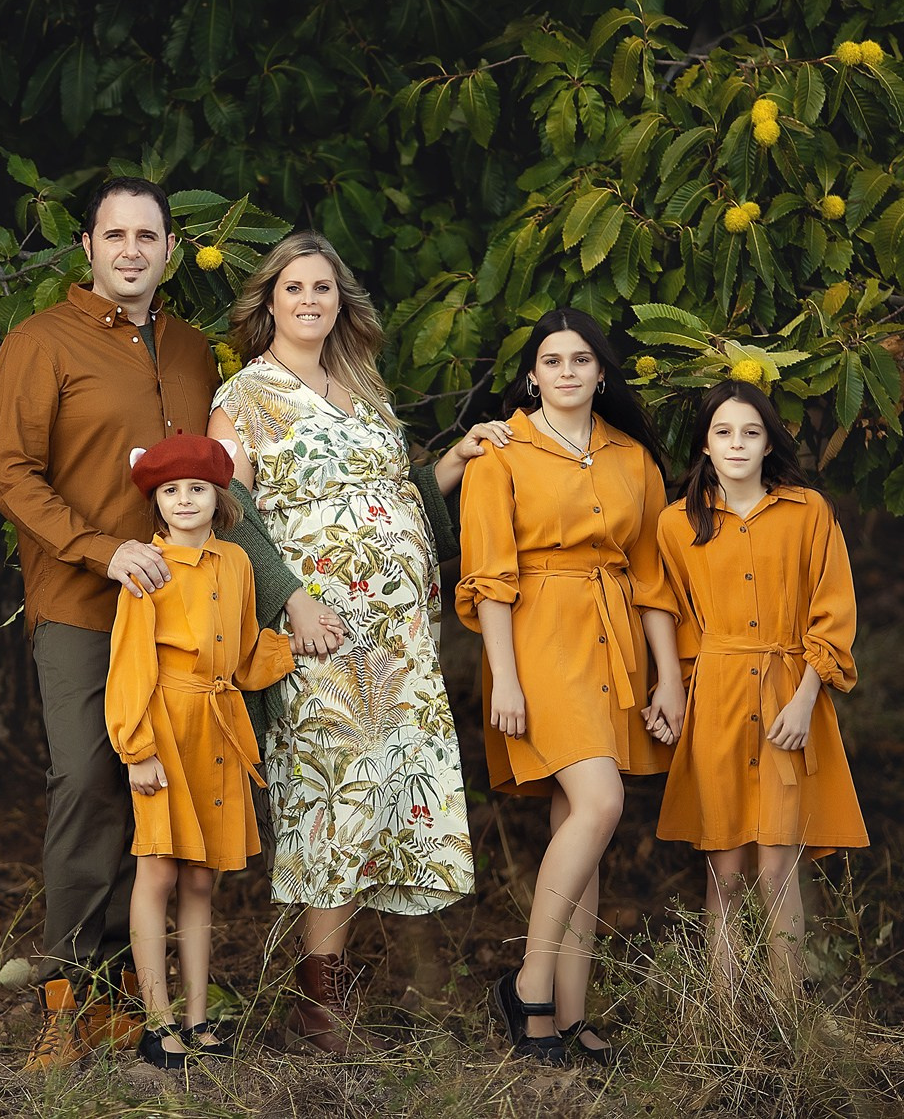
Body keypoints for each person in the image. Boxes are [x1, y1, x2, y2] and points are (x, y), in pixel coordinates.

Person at [0, 179, 352, 1068]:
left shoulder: (194, 350)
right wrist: (103, 549)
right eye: (115, 236)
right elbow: (12, 476)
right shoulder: (40, 344)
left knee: (156, 793)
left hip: (190, 618)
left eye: (148, 237)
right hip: (86, 601)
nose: (131, 251)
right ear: (87, 246)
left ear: (170, 251)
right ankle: (69, 999)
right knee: (87, 780)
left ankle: (134, 1001)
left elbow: (225, 476)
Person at [209, 230, 508, 1054]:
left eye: (325, 289)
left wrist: (454, 461)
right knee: (335, 800)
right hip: (322, 634)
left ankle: (361, 986)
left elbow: (395, 498)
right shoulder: (245, 397)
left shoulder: (363, 389)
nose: (310, 300)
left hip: (402, 639)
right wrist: (293, 601)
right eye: (295, 287)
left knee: (383, 796)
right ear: (268, 300)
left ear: (343, 303)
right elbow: (231, 511)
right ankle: (320, 1004)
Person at [457, 308, 685, 1069]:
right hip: (536, 639)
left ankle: (569, 1015)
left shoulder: (634, 460)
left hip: (613, 641)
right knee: (600, 803)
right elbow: (487, 578)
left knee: (579, 829)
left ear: (600, 373)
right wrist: (506, 678)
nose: (565, 371)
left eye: (580, 359)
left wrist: (670, 679)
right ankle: (528, 987)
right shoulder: (501, 454)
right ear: (532, 375)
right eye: (551, 360)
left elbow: (653, 579)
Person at [655, 381, 867, 994]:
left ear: (770, 440)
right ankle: (723, 1024)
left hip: (786, 697)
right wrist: (674, 688)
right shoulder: (677, 524)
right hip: (717, 699)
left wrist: (805, 700)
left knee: (778, 864)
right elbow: (668, 611)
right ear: (704, 444)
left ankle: (787, 1016)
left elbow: (832, 614)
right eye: (723, 432)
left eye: (751, 431)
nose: (737, 444)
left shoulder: (808, 512)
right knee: (723, 868)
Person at [105, 436, 295, 1069]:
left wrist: (292, 648)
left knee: (201, 878)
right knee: (157, 869)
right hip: (166, 725)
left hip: (216, 727)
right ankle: (157, 1021)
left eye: (197, 488)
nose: (184, 500)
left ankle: (197, 1016)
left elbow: (243, 656)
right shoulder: (147, 569)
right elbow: (129, 665)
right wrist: (137, 749)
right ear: (155, 503)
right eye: (169, 491)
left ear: (220, 497)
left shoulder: (236, 564)